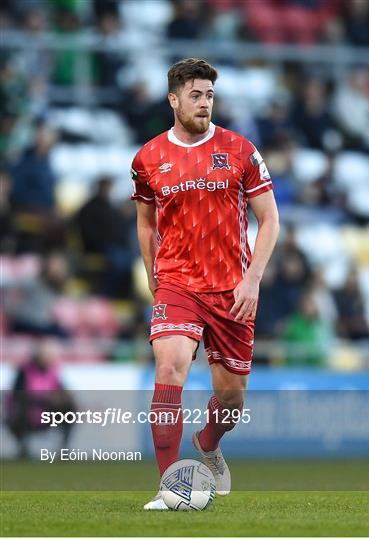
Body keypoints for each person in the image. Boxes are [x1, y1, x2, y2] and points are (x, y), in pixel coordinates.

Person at [130, 58, 279, 510]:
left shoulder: (240, 150)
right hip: (178, 283)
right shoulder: (148, 158)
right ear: (173, 99)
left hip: (233, 289)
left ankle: (209, 442)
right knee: (169, 368)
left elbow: (270, 220)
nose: (205, 103)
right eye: (196, 95)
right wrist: (156, 277)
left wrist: (253, 279)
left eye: (210, 95)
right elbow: (145, 224)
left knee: (231, 401)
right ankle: (170, 486)